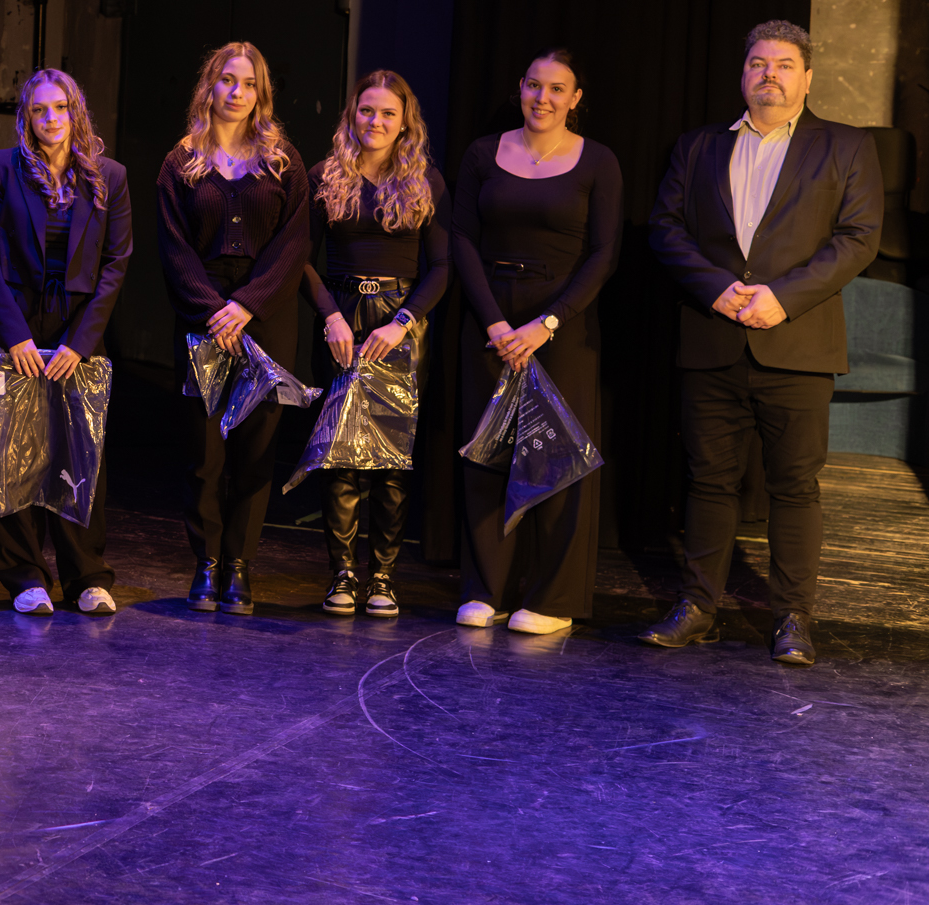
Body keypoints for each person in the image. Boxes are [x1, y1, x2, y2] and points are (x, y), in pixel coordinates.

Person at [644, 20, 881, 666]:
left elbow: (859, 237)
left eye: (783, 64)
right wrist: (715, 288)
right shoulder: (698, 147)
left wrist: (784, 295)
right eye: (757, 63)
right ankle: (698, 606)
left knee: (795, 485)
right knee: (708, 480)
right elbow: (665, 229)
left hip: (797, 342)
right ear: (742, 74)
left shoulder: (846, 145)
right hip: (713, 339)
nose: (769, 74)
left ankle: (792, 617)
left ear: (807, 78)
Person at [450, 47, 622, 634]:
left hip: (561, 324)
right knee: (486, 452)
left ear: (575, 99)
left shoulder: (598, 161)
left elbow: (604, 254)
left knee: (556, 457)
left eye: (556, 89)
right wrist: (494, 322)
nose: (542, 98)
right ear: (520, 88)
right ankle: (486, 589)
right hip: (491, 317)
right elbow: (462, 240)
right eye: (533, 85)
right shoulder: (483, 153)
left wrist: (548, 323)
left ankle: (552, 600)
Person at [156, 42, 309, 616]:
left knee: (256, 448)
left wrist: (247, 304)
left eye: (248, 83)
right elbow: (173, 248)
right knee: (204, 451)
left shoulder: (283, 161)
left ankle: (239, 565)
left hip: (266, 313)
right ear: (210, 87)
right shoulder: (180, 162)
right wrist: (213, 309)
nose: (237, 92)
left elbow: (294, 244)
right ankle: (207, 561)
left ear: (261, 93)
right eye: (227, 80)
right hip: (203, 315)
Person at [0, 69, 131, 616]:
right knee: (10, 451)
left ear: (76, 112)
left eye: (61, 108)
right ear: (26, 116)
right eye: (40, 110)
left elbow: (115, 264)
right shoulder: (0, 168)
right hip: (16, 324)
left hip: (78, 329)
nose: (51, 119)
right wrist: (13, 334)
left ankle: (86, 575)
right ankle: (24, 575)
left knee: (80, 450)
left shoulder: (109, 176)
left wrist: (81, 343)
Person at [302, 70, 448, 618]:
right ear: (352, 114)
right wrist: (331, 317)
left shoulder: (425, 180)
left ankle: (382, 576)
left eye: (388, 113)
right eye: (367, 110)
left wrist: (403, 321)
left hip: (399, 322)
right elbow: (301, 261)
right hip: (340, 317)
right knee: (338, 451)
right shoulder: (325, 176)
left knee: (391, 457)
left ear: (405, 121)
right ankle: (342, 573)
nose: (376, 121)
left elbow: (442, 267)